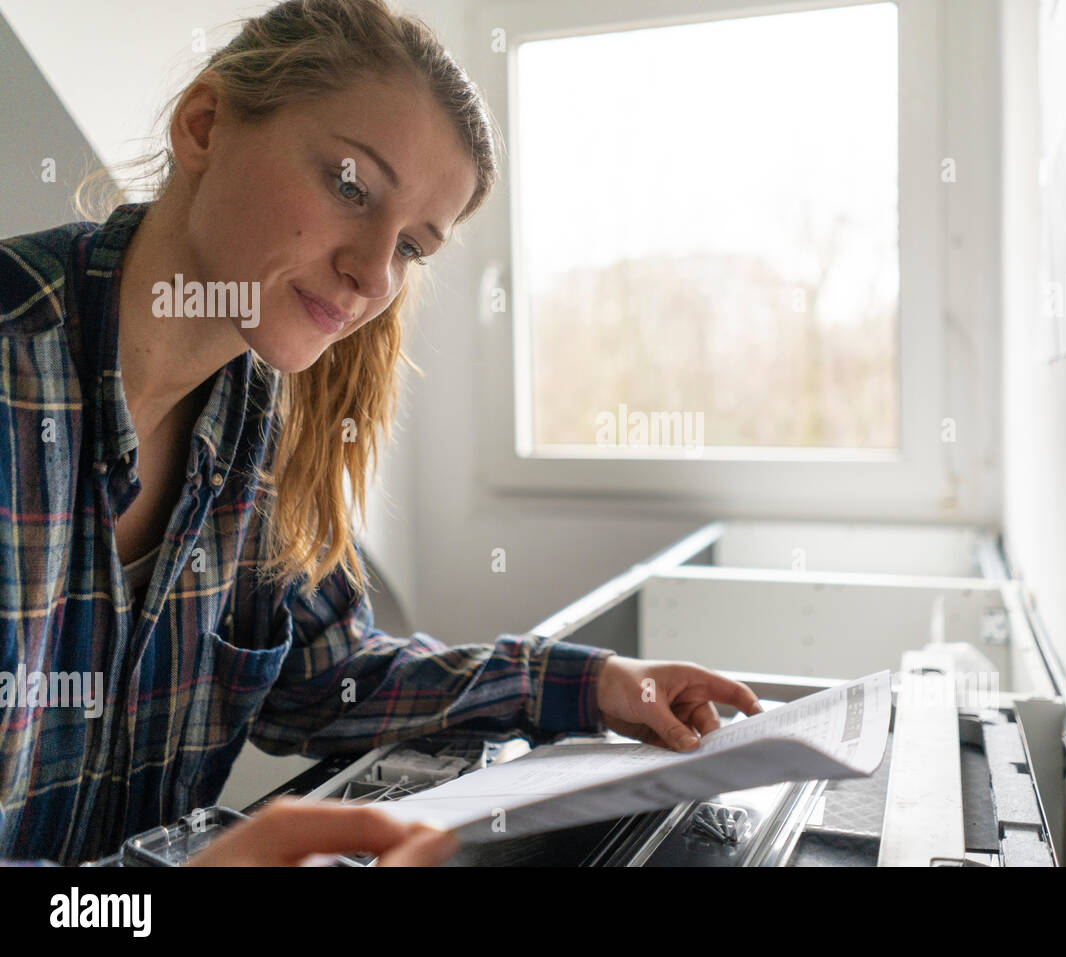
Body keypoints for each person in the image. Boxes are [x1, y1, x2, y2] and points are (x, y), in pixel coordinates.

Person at [0, 0, 760, 866]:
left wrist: (593, 684)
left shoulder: (256, 416)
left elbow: (330, 678)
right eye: (350, 185)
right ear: (204, 125)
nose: (370, 271)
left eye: (412, 247)